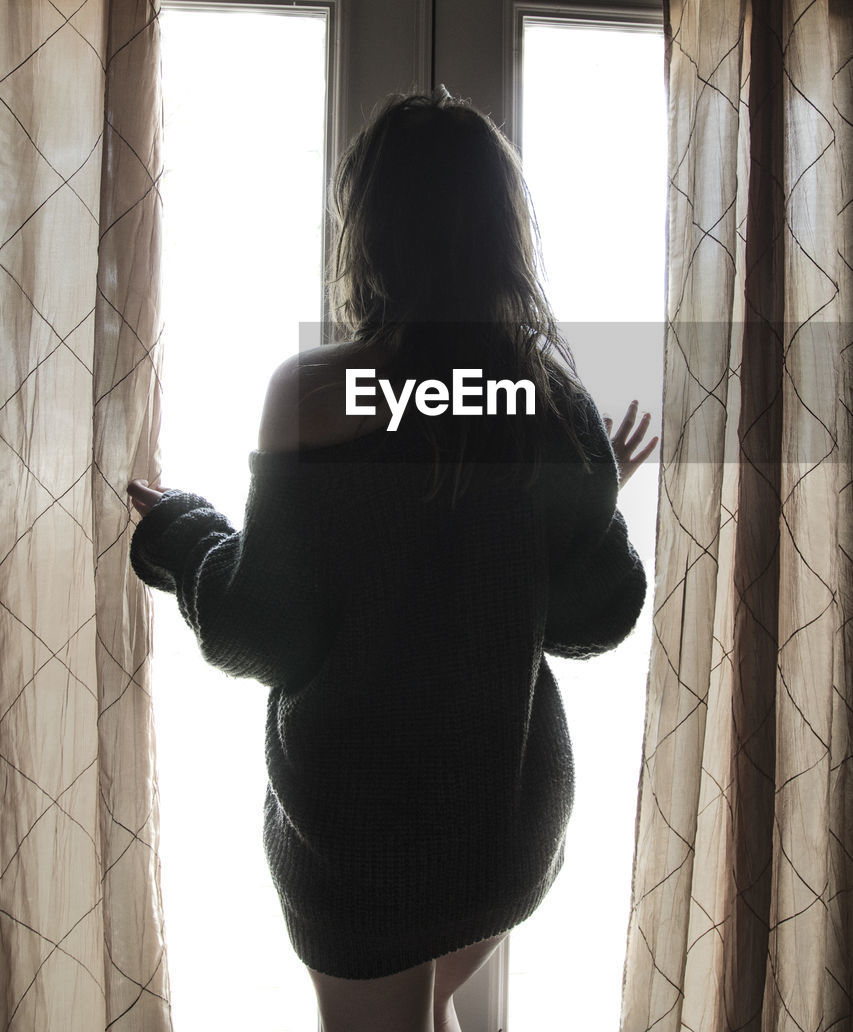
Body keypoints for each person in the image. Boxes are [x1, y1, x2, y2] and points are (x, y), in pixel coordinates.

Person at [127, 89, 657, 1032]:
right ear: (504, 232)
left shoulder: (315, 392)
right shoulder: (547, 402)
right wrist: (593, 489)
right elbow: (595, 614)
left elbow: (263, 632)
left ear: (365, 229)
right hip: (502, 831)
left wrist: (183, 531)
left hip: (365, 851)